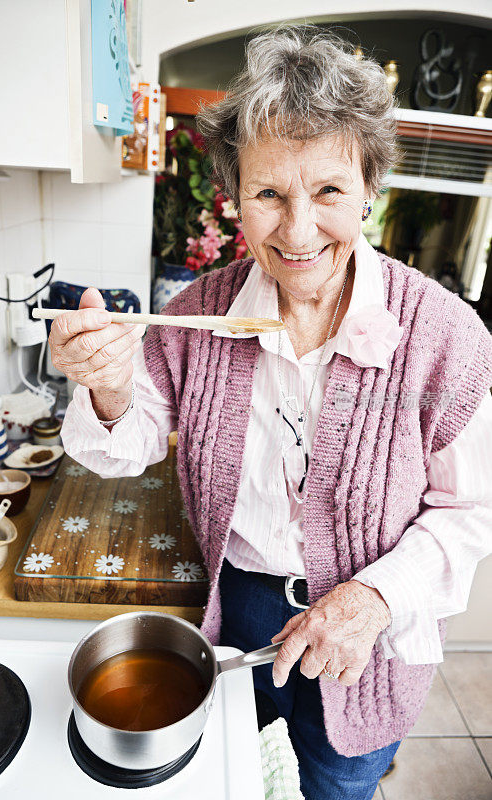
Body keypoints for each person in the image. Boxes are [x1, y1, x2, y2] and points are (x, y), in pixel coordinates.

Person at [51, 26, 492, 800]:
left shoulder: (445, 338)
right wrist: (109, 384)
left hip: (373, 616)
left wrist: (371, 599)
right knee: (229, 772)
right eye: (267, 194)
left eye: (326, 191)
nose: (295, 230)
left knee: (338, 780)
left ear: (368, 186)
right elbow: (126, 446)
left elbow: (470, 511)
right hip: (239, 601)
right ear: (234, 196)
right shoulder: (196, 315)